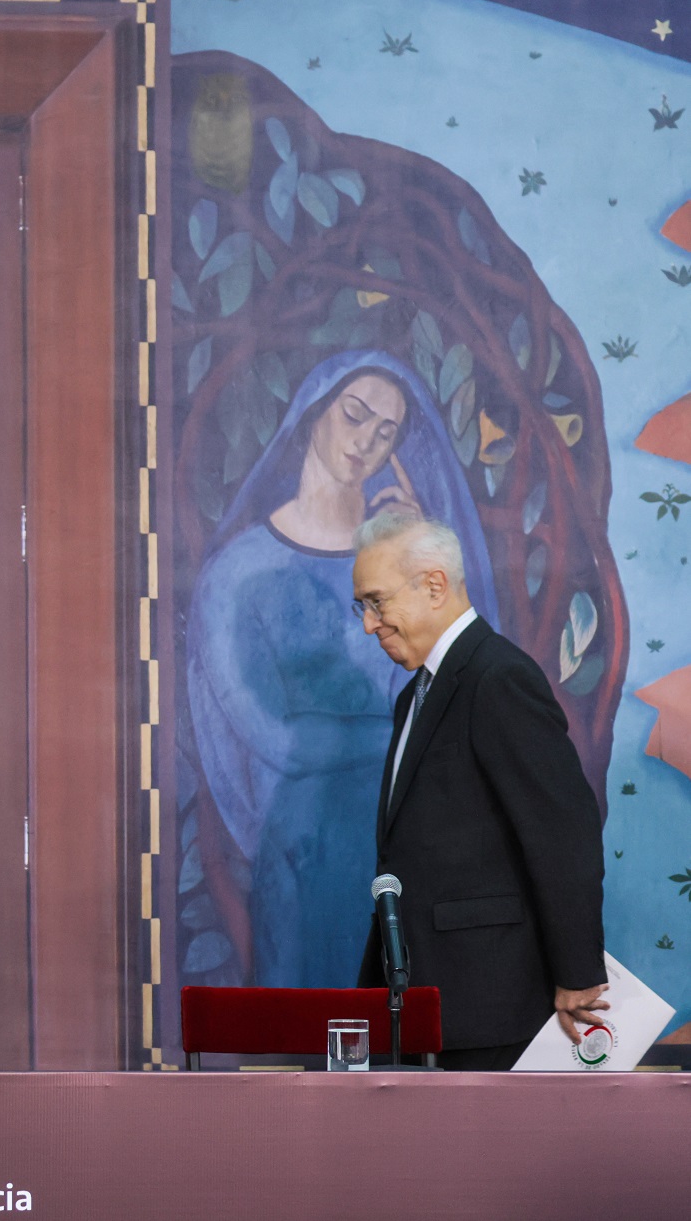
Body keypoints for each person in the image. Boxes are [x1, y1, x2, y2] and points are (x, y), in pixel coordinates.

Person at [185, 350, 497, 990]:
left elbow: (462, 691)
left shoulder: (408, 566)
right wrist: (406, 733)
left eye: (387, 432)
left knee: (416, 1064)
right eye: (354, 415)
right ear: (310, 415)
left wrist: (418, 562)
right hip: (308, 855)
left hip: (421, 851)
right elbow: (275, 736)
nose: (366, 442)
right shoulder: (236, 574)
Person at [351, 511, 606, 1070]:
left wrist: (578, 977)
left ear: (435, 585)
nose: (369, 624)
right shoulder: (414, 696)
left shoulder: (498, 679)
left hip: (493, 1000)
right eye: (362, 606)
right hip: (430, 1000)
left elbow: (565, 831)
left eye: (376, 601)